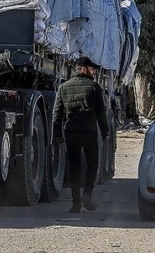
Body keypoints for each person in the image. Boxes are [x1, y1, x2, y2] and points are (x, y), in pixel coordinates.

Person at [53, 56, 109, 213]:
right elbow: (101, 114)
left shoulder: (63, 87)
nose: (94, 72)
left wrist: (57, 134)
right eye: (92, 70)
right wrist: (105, 133)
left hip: (71, 132)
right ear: (84, 69)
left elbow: (57, 114)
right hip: (89, 132)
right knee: (92, 164)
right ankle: (87, 195)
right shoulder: (94, 87)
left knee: (75, 167)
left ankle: (76, 203)